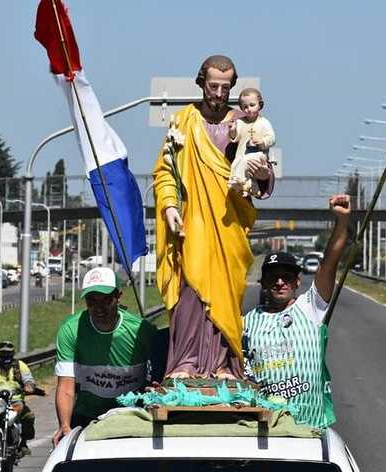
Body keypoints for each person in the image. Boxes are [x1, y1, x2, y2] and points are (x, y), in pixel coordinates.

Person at [153, 55, 275, 380]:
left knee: (227, 291)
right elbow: (166, 171)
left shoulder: (245, 124)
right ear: (201, 83)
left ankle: (225, 365)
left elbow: (263, 178)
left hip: (228, 225)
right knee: (192, 291)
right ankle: (185, 363)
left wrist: (262, 172)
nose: (218, 93)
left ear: (232, 88)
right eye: (213, 86)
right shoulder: (183, 122)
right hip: (193, 225)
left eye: (225, 87)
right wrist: (169, 207)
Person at [242, 194, 352, 429]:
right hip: (267, 430)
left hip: (310, 428)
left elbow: (330, 262)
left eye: (287, 277)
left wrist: (341, 222)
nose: (280, 282)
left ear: (297, 282)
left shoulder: (310, 308)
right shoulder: (246, 323)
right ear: (262, 282)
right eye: (273, 277)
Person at [52, 266, 157, 446]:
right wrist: (65, 426)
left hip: (133, 416)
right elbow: (66, 387)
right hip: (87, 416)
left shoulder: (141, 330)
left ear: (118, 297)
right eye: (92, 301)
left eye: (106, 300)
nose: (99, 308)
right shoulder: (71, 329)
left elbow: (159, 378)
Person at [228, 87, 276, 197]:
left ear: (260, 105)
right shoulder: (240, 122)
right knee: (237, 163)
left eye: (252, 105)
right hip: (242, 154)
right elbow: (235, 138)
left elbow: (272, 138)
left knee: (246, 161)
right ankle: (252, 188)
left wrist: (262, 142)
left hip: (259, 156)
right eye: (245, 107)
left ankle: (238, 181)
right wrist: (233, 130)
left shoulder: (264, 123)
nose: (248, 109)